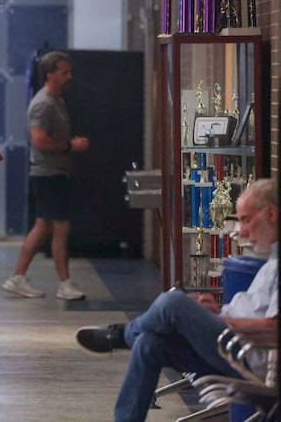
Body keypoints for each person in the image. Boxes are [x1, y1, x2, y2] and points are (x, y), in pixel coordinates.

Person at [76, 179, 278, 422]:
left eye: (246, 219)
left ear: (272, 215)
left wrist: (221, 321)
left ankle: (122, 336)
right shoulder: (273, 258)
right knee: (149, 344)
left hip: (249, 354)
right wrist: (216, 315)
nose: (241, 231)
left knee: (173, 304)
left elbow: (273, 327)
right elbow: (258, 312)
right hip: (233, 344)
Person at [2, 51, 90, 300]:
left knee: (43, 225)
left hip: (55, 172)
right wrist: (69, 146)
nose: (69, 75)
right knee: (61, 227)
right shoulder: (44, 104)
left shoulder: (57, 100)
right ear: (50, 74)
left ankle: (18, 277)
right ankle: (65, 284)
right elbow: (39, 141)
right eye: (64, 71)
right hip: (49, 174)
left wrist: (67, 143)